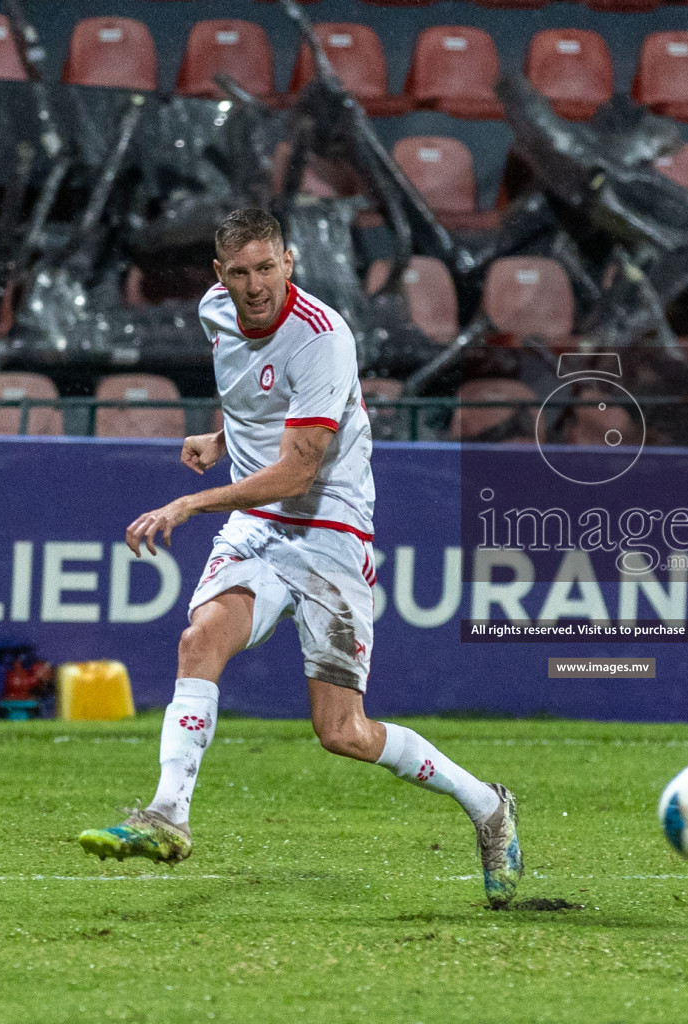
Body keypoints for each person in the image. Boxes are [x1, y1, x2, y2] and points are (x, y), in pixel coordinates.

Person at [78, 209, 524, 908]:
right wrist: (222, 436)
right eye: (239, 272)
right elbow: (254, 390)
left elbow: (298, 474)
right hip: (257, 527)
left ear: (289, 261)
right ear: (217, 276)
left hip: (328, 534)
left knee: (341, 731)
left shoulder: (322, 339)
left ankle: (486, 803)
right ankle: (167, 815)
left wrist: (191, 503)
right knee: (199, 640)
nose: (255, 285)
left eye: (266, 267)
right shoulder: (215, 312)